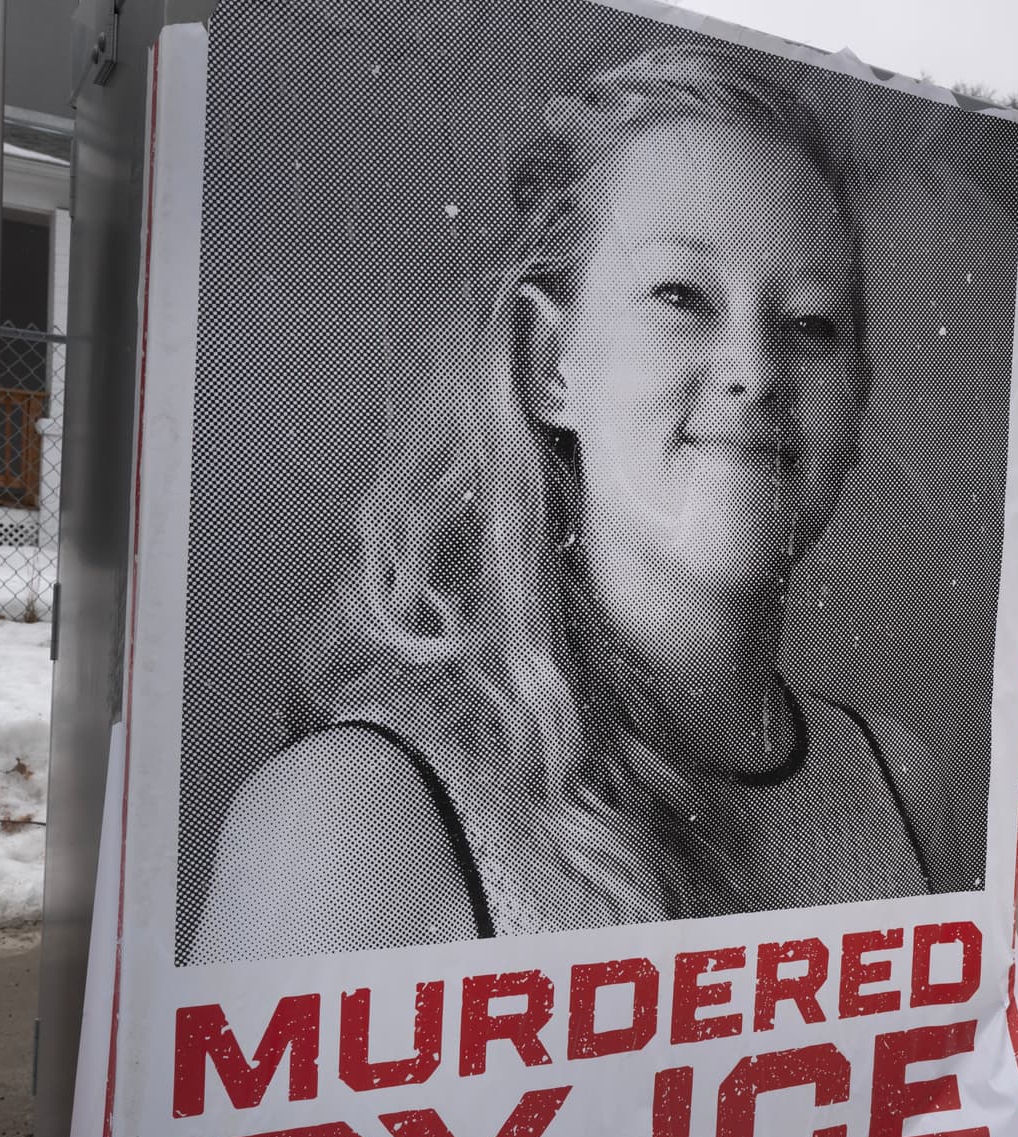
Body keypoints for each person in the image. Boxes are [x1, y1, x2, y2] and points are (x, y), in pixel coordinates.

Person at [190, 43, 943, 961]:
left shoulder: (902, 787)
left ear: (859, 397)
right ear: (553, 366)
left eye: (813, 324)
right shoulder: (352, 825)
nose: (756, 369)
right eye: (682, 295)